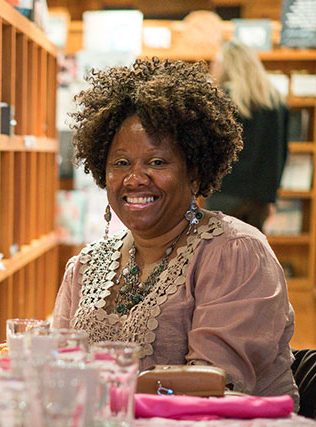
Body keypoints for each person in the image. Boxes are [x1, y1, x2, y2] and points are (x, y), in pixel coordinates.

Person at [52, 58, 298, 400]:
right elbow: (55, 368)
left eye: (157, 162)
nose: (135, 179)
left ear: (194, 172)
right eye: (121, 163)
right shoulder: (85, 266)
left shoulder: (235, 253)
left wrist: (102, 387)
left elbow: (213, 384)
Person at [206, 40, 289, 231]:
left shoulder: (222, 98)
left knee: (220, 247)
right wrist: (272, 195)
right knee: (251, 246)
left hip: (226, 190)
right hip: (261, 196)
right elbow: (281, 153)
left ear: (226, 65)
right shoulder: (276, 101)